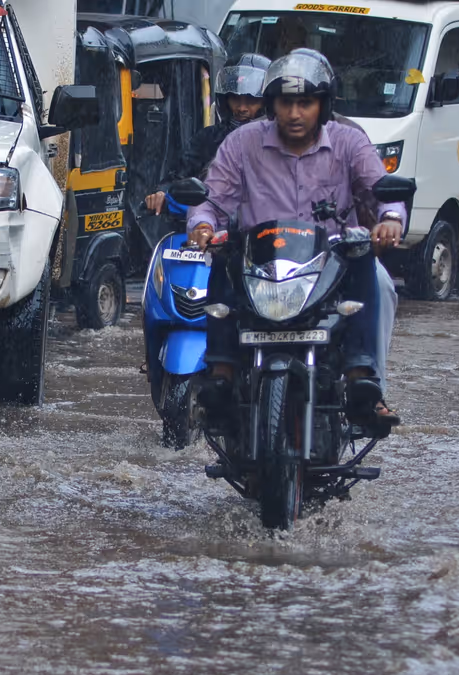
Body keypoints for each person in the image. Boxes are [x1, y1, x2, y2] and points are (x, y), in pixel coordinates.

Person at [186, 51, 404, 435]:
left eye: (305, 103)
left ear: (323, 105)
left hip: (333, 266)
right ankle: (221, 372)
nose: (294, 114)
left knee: (378, 279)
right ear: (272, 105)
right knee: (221, 252)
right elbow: (212, 198)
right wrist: (202, 225)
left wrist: (390, 220)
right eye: (286, 103)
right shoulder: (241, 143)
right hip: (260, 265)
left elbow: (381, 190)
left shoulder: (350, 142)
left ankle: (365, 383)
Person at [144, 54, 271, 215]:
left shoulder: (280, 141)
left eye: (251, 100)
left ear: (266, 103)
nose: (241, 108)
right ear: (225, 100)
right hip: (211, 221)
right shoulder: (209, 137)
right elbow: (179, 175)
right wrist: (162, 194)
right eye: (235, 99)